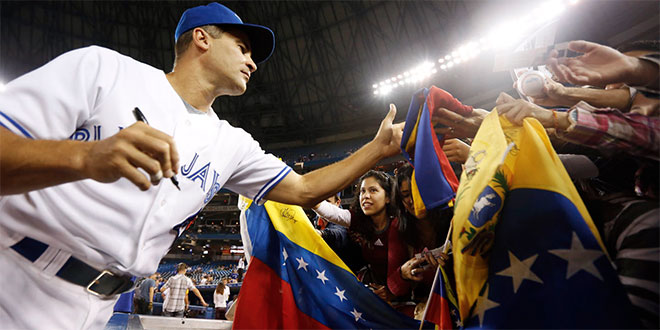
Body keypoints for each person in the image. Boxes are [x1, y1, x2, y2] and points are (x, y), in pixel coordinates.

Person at [0, 2, 404, 328]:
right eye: (243, 48)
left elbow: (303, 190)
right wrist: (85, 157)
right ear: (202, 38)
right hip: (14, 277)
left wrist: (376, 148)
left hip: (101, 306)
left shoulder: (232, 143)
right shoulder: (104, 69)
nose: (253, 62)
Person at [312, 170, 408, 302]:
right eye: (362, 191)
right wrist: (306, 193)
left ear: (388, 197)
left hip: (406, 294)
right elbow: (330, 212)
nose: (366, 196)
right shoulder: (359, 220)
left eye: (373, 190)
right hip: (378, 294)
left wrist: (391, 291)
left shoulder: (399, 224)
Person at [314, 193, 364, 273]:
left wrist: (322, 234)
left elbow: (339, 233)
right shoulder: (316, 220)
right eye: (320, 201)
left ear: (337, 203)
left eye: (327, 201)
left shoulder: (344, 220)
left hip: (345, 273)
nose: (323, 205)